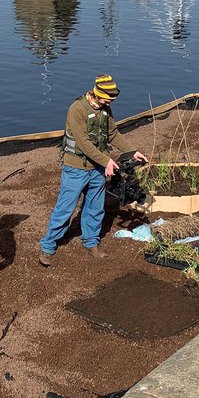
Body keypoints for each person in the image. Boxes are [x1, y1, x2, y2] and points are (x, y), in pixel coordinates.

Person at [39, 75, 147, 266]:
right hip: (75, 168)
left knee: (95, 207)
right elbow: (84, 144)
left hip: (97, 169)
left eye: (112, 99)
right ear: (97, 94)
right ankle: (48, 246)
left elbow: (113, 134)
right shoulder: (77, 110)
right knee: (65, 208)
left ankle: (91, 242)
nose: (110, 102)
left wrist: (132, 151)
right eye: (107, 98)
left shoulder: (106, 110)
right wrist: (107, 161)